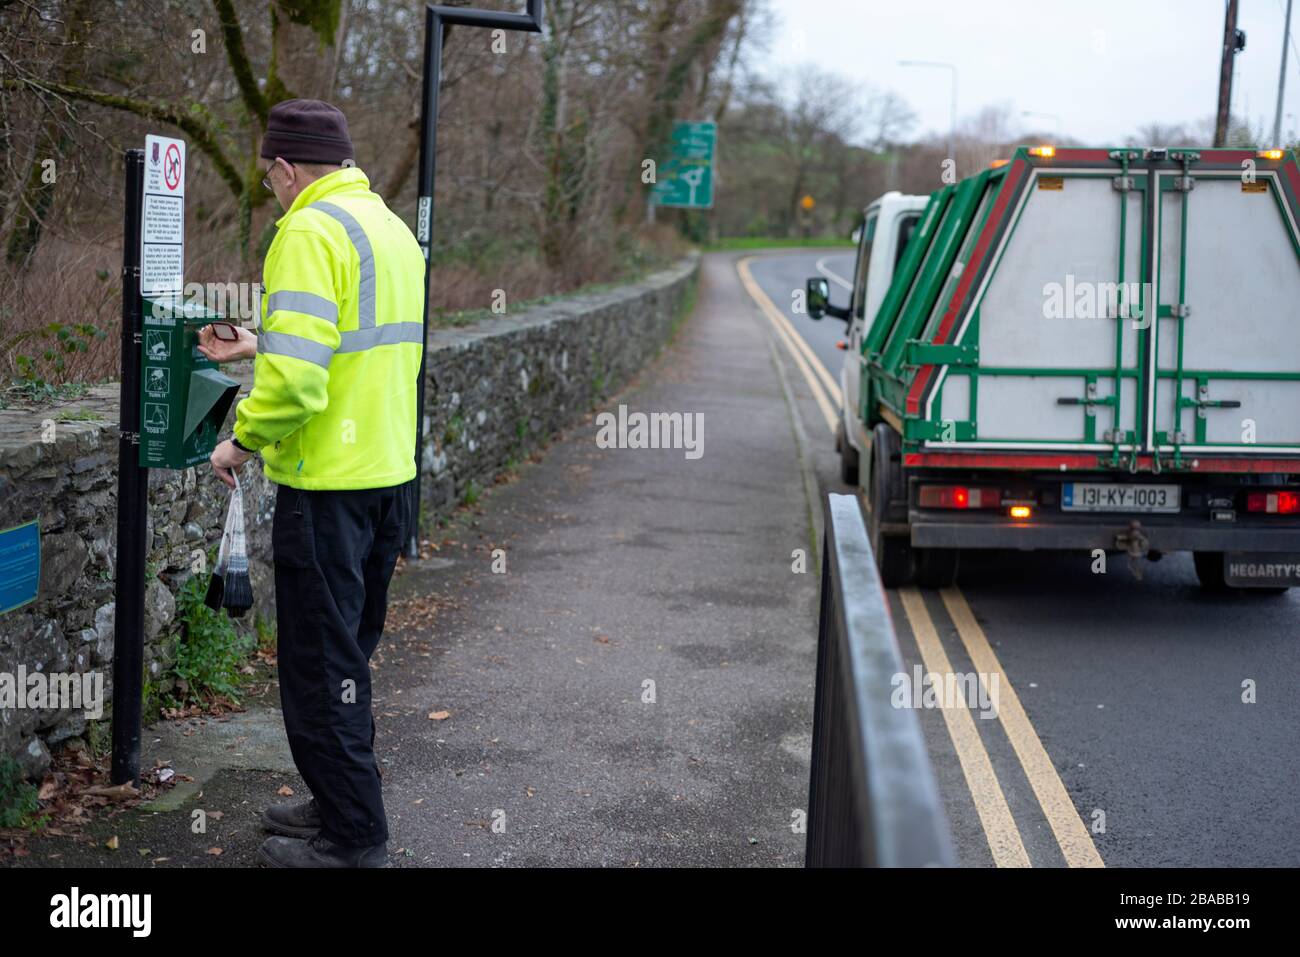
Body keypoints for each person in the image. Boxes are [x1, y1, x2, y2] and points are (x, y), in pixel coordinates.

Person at [199, 98, 424, 868]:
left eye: (271, 178)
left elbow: (297, 385)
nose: (273, 191)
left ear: (288, 169)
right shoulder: (388, 229)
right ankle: (336, 801)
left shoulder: (305, 230)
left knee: (319, 668)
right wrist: (263, 340)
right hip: (385, 481)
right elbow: (350, 346)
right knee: (347, 662)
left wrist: (240, 441)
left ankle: (355, 840)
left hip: (326, 487)